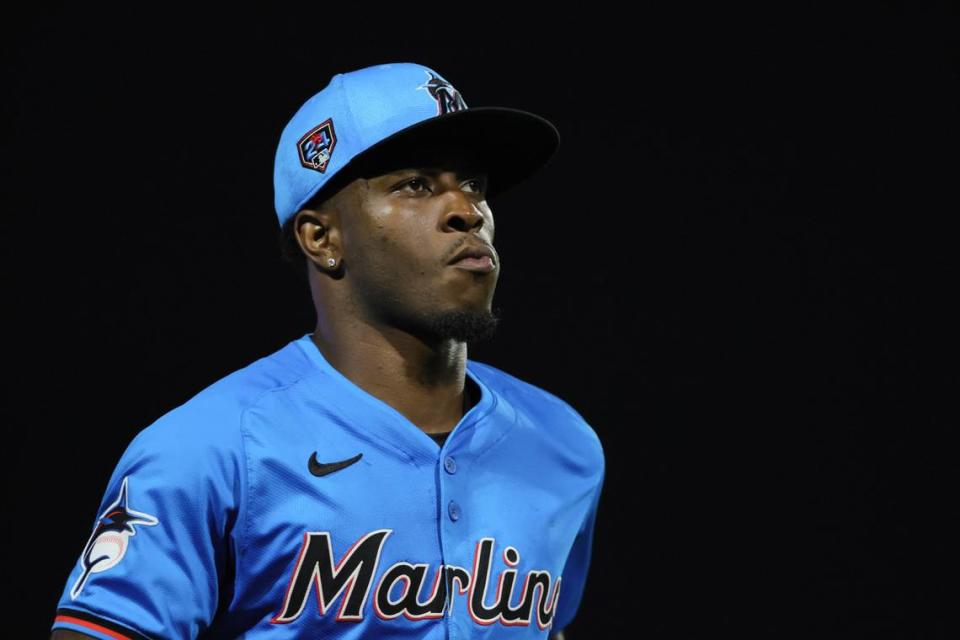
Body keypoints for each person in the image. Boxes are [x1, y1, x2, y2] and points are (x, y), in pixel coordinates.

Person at [50, 61, 605, 640]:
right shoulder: (209, 449)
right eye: (416, 184)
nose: (468, 210)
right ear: (322, 238)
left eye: (473, 183)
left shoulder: (563, 443)